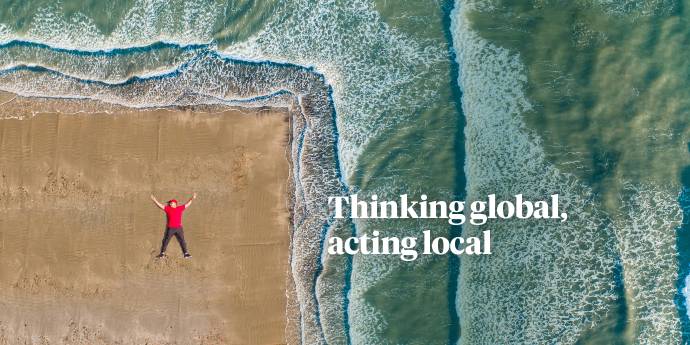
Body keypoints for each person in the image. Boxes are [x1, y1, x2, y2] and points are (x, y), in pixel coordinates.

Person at [150, 193, 197, 258]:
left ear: (175, 203)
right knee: (166, 240)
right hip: (170, 228)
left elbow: (187, 204)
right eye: (169, 203)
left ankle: (185, 253)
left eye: (171, 203)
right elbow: (160, 205)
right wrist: (154, 200)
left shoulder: (179, 208)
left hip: (179, 228)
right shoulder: (167, 209)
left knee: (182, 240)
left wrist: (192, 198)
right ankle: (162, 253)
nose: (170, 204)